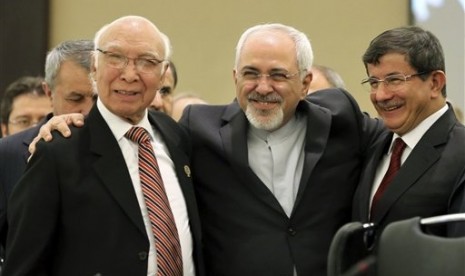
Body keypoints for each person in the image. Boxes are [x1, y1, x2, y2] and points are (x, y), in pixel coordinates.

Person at [29, 23, 384, 275]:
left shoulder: (342, 117)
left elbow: (397, 136)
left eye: (278, 74)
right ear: (234, 78)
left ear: (305, 82)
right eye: (250, 73)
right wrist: (57, 121)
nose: (263, 87)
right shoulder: (198, 130)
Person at [3, 15, 204, 276]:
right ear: (95, 68)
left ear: (163, 73)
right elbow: (24, 266)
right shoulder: (57, 152)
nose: (129, 74)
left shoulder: (177, 137)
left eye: (147, 61)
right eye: (116, 58)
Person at [352, 26, 465, 248]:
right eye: (374, 82)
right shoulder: (373, 145)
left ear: (435, 83)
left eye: (394, 80)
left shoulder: (461, 153)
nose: (381, 95)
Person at [0, 39, 95, 254]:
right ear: (49, 93)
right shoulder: (7, 153)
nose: (88, 110)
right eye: (76, 98)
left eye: (98, 99)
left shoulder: (127, 147)